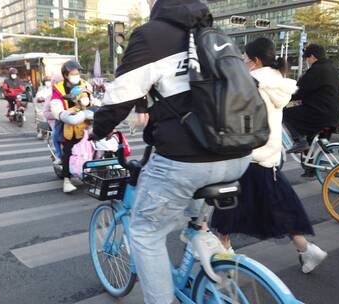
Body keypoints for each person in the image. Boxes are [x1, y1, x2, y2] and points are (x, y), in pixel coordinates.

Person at [91, 1, 250, 303]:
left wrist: (98, 133)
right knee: (195, 218)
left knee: (145, 233)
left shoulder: (152, 35)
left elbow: (118, 97)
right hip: (239, 154)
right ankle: (207, 250)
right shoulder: (213, 34)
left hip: (187, 160)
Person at [210, 37, 328, 274]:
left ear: (255, 60)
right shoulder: (278, 82)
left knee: (226, 207)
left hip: (248, 155)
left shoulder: (251, 82)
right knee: (278, 206)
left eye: (245, 58)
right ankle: (307, 250)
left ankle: (225, 260)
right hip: (269, 155)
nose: (243, 61)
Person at [283, 44, 339, 156]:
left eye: (307, 58)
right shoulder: (331, 68)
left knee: (285, 113)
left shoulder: (317, 70)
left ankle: (298, 140)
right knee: (309, 140)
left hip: (320, 113)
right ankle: (310, 165)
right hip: (334, 114)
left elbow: (299, 90)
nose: (307, 61)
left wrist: (285, 99)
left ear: (313, 57)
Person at [51, 85, 94, 193]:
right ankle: (67, 180)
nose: (85, 99)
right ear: (76, 99)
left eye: (87, 96)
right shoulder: (70, 112)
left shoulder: (91, 110)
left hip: (88, 138)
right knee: (68, 154)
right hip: (74, 139)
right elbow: (68, 124)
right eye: (82, 96)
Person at [49, 60, 87, 168]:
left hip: (83, 116)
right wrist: (60, 113)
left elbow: (91, 98)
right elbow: (55, 102)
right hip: (66, 118)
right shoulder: (58, 87)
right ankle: (65, 174)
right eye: (73, 74)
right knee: (63, 141)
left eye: (77, 73)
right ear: (65, 75)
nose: (76, 76)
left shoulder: (85, 84)